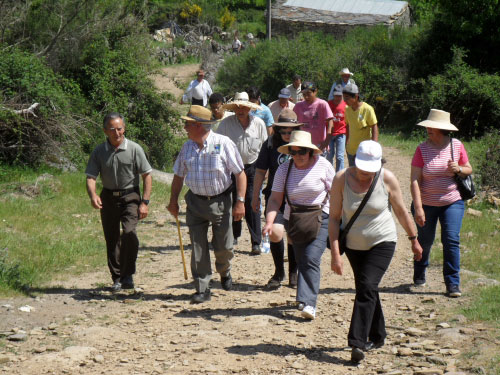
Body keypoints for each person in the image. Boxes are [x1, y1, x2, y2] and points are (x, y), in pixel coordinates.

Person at [328, 140, 423, 363]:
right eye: (362, 168)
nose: (365, 173)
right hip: (353, 245)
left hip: (383, 240)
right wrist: (334, 254)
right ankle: (378, 335)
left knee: (367, 286)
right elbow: (333, 219)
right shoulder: (341, 179)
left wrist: (413, 239)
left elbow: (400, 211)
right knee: (366, 287)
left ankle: (357, 342)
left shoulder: (386, 178)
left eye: (370, 169)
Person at [167, 106, 246, 304]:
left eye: (187, 123)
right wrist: (173, 201)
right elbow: (178, 176)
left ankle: (224, 270)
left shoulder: (223, 143)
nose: (184, 127)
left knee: (224, 247)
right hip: (195, 202)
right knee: (198, 246)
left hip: (221, 202)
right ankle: (202, 287)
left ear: (199, 125)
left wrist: (240, 202)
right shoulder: (187, 147)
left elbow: (240, 173)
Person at [264, 130, 335, 320]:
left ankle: (309, 303)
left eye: (301, 152)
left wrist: (338, 220)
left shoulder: (324, 166)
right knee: (302, 258)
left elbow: (337, 194)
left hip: (321, 215)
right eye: (293, 152)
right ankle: (303, 299)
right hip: (294, 218)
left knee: (311, 258)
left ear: (311, 152)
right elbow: (275, 199)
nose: (297, 156)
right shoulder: (284, 169)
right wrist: (269, 221)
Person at [85, 112, 153, 292]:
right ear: (105, 131)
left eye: (120, 128)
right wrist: (93, 195)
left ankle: (128, 273)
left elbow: (147, 175)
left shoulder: (134, 149)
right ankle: (117, 278)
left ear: (124, 128)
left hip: (130, 196)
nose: (117, 133)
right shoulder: (99, 151)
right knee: (112, 238)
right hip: (108, 197)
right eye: (113, 129)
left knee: (129, 233)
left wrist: (144, 201)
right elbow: (91, 176)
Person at [410, 109, 472, 298]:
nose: (429, 129)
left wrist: (459, 168)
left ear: (442, 129)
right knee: (426, 241)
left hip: (452, 202)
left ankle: (452, 283)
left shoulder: (456, 145)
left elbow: (468, 169)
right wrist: (418, 207)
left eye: (432, 126)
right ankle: (420, 269)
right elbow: (414, 180)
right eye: (428, 126)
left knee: (451, 240)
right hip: (426, 203)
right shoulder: (422, 149)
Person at [251, 109, 301, 289]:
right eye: (284, 131)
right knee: (275, 232)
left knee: (294, 236)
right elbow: (260, 172)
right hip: (275, 197)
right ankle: (279, 271)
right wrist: (255, 195)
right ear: (278, 129)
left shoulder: (303, 144)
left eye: (291, 131)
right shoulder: (270, 144)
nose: (287, 135)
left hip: (298, 198)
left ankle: (294, 273)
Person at [217, 92, 267, 255]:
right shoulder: (225, 124)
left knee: (253, 202)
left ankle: (256, 242)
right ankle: (234, 235)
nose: (240, 109)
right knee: (232, 201)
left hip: (253, 168)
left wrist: (266, 170)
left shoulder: (258, 124)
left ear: (249, 108)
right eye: (237, 106)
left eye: (244, 106)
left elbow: (265, 147)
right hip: (230, 169)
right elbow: (216, 146)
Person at [343, 83, 379, 167]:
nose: (344, 100)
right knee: (353, 174)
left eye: (347, 98)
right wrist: (346, 143)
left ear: (355, 97)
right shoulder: (347, 109)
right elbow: (347, 125)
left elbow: (374, 126)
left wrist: (373, 146)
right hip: (351, 150)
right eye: (344, 98)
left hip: (364, 151)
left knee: (364, 175)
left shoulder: (367, 109)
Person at [293, 81, 334, 152]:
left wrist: (326, 142)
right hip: (302, 144)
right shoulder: (298, 106)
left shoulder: (322, 104)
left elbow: (330, 122)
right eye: (304, 94)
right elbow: (293, 123)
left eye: (309, 93)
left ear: (315, 91)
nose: (306, 97)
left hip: (319, 145)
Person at [327, 84, 347, 171]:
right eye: (336, 95)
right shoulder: (328, 104)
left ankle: (339, 174)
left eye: (339, 95)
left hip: (341, 133)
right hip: (330, 133)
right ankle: (330, 173)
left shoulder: (346, 105)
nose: (337, 97)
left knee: (339, 156)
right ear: (333, 94)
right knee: (329, 155)